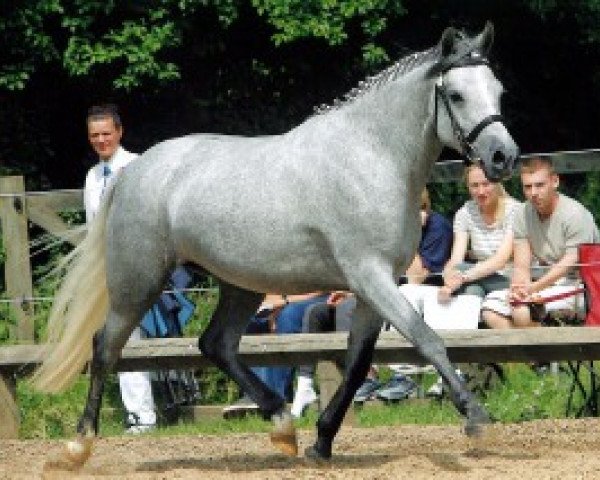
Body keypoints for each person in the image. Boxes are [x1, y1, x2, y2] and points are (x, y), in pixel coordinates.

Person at [291, 189, 454, 415]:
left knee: (356, 309)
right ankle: (309, 386)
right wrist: (348, 290)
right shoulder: (381, 228)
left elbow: (416, 276)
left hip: (412, 297)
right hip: (374, 293)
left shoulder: (437, 227)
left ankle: (365, 376)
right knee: (318, 312)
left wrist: (411, 231)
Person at [84, 104, 156, 433]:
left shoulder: (139, 167)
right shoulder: (92, 177)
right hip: (109, 269)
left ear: (119, 132)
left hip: (140, 265)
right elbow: (92, 229)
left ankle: (144, 414)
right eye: (94, 135)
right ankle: (136, 413)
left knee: (131, 336)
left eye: (106, 133)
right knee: (115, 337)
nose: (101, 140)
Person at [482, 156, 600, 329]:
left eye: (539, 185)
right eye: (527, 187)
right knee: (490, 309)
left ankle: (542, 353)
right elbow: (521, 266)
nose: (533, 193)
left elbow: (569, 263)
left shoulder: (575, 214)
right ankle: (541, 354)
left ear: (555, 181)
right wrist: (519, 289)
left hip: (581, 287)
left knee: (521, 310)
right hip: (542, 285)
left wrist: (533, 288)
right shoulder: (522, 213)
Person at [222, 292, 329, 419]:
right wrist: (271, 302)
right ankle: (253, 392)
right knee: (247, 317)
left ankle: (273, 394)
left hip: (322, 296)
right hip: (286, 298)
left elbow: (326, 283)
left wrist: (285, 301)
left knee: (288, 316)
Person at [439, 163, 521, 304]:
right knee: (472, 292)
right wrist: (449, 274)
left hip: (511, 279)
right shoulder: (464, 213)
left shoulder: (515, 211)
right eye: (474, 186)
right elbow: (456, 258)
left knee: (463, 274)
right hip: (476, 276)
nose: (481, 192)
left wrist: (461, 277)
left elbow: (500, 259)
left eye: (486, 184)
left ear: (497, 183)